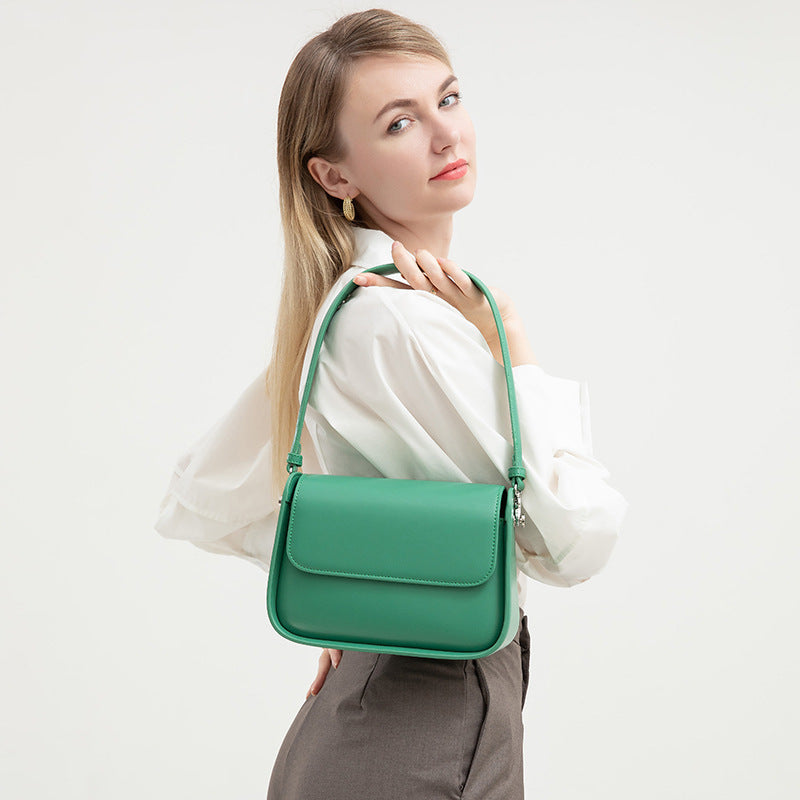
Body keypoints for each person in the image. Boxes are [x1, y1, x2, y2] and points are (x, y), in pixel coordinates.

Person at [154, 8, 629, 799]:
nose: (447, 137)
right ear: (334, 176)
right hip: (420, 732)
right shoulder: (396, 322)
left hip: (394, 723)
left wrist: (358, 601)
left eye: (448, 99)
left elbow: (207, 489)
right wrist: (512, 342)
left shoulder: (359, 309)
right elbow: (575, 541)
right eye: (400, 122)